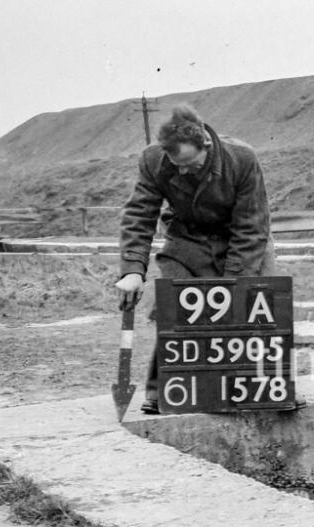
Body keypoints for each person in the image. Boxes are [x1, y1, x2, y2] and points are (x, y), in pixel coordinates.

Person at [115, 104, 275, 414]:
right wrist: (133, 269)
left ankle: (261, 387)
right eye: (177, 165)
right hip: (187, 238)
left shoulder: (242, 158)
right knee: (174, 307)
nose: (183, 171)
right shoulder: (154, 160)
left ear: (206, 144)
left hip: (241, 239)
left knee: (255, 307)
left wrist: (231, 286)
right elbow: (139, 214)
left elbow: (251, 228)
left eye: (190, 164)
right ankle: (164, 390)